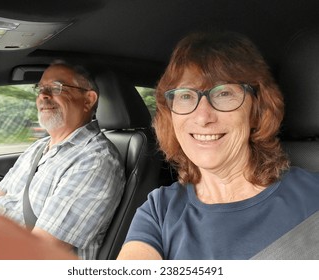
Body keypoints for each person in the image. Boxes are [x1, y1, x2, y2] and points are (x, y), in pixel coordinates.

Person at [117, 31, 319, 260]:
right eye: (185, 96)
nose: (203, 117)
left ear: (256, 111)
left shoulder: (314, 195)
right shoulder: (159, 210)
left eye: (223, 93)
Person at [0, 61, 126, 259]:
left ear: (88, 100)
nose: (43, 96)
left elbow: (37, 252)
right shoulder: (39, 147)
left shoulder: (95, 161)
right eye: (41, 88)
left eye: (56, 88)